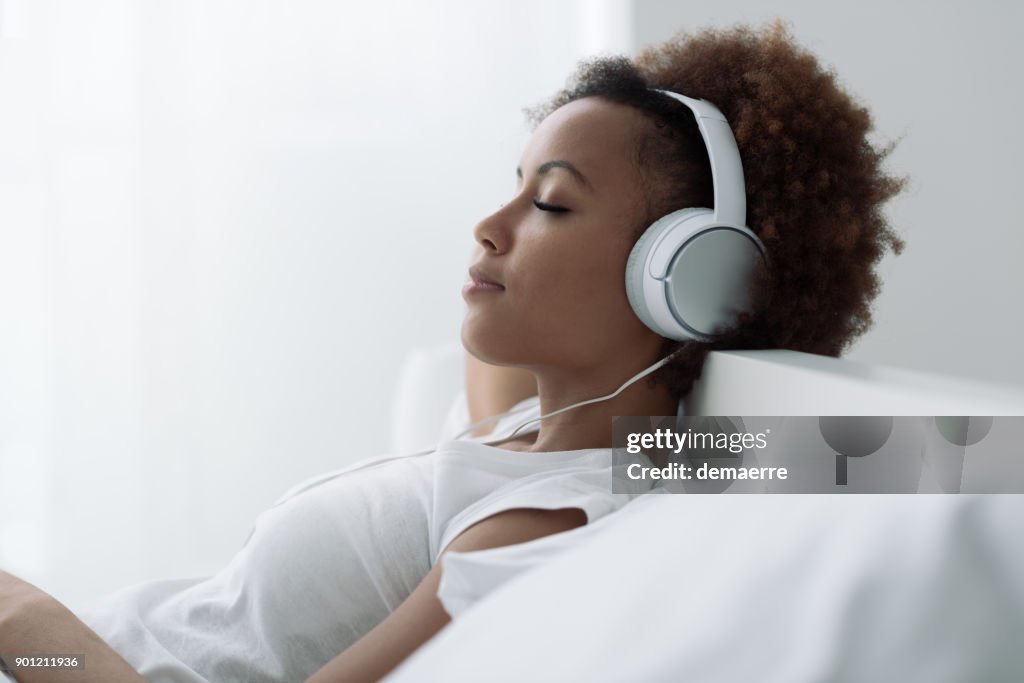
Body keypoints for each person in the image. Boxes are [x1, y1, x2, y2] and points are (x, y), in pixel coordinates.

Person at [0, 20, 904, 683]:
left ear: (682, 279)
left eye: (550, 204)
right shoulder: (554, 434)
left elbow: (957, 455)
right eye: (513, 185)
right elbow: (779, 449)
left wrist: (28, 621)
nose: (489, 223)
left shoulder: (536, 525)